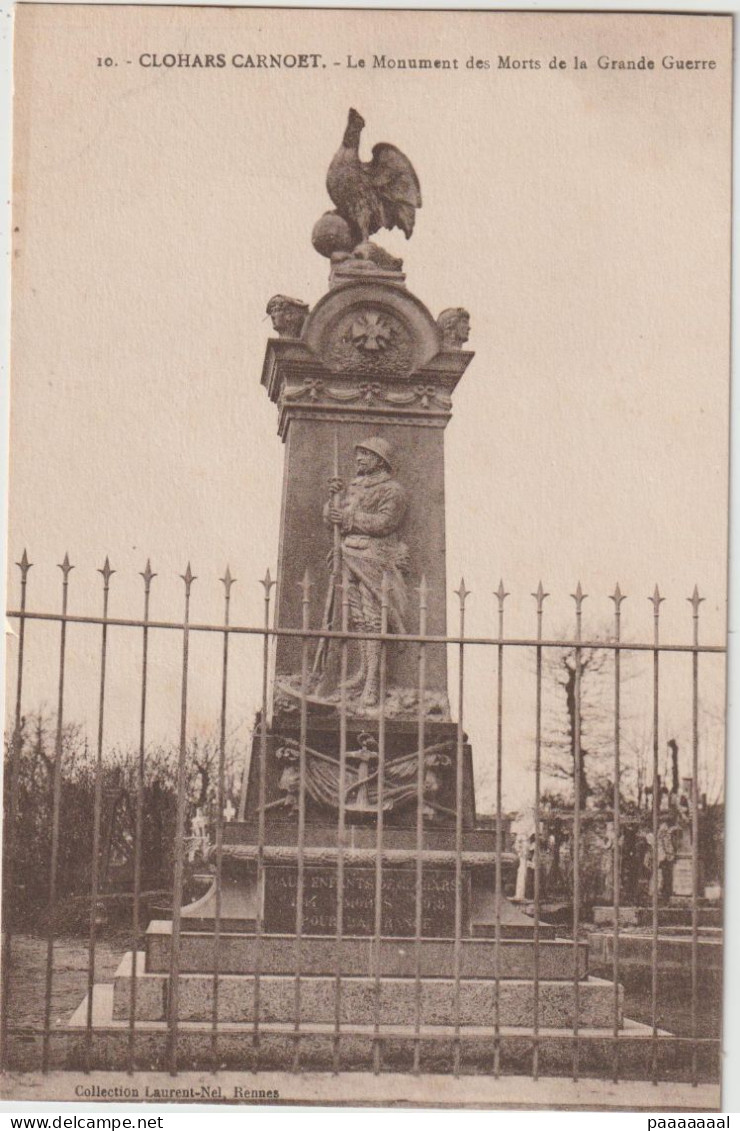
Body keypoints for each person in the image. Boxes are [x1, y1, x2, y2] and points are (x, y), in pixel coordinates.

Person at [325, 438, 409, 706]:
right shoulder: (353, 486)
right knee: (358, 618)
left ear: (380, 460)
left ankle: (374, 683)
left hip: (374, 558)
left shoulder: (392, 490)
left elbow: (386, 523)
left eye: (365, 454)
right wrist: (332, 502)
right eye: (358, 453)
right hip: (348, 555)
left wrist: (348, 519)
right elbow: (333, 518)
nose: (359, 458)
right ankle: (363, 673)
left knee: (374, 621)